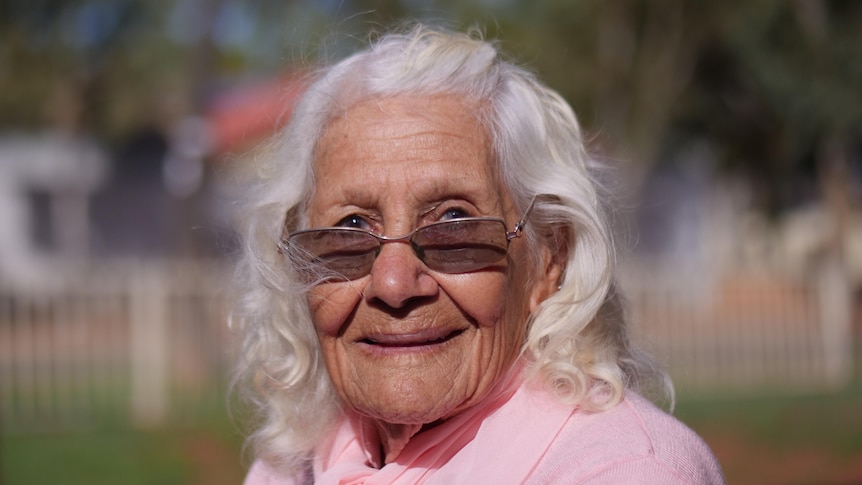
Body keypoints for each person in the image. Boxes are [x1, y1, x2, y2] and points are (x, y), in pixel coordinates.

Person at [232, 23, 724, 484]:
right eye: (351, 227)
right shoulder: (292, 466)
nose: (394, 285)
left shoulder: (622, 469)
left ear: (549, 259)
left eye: (453, 222)